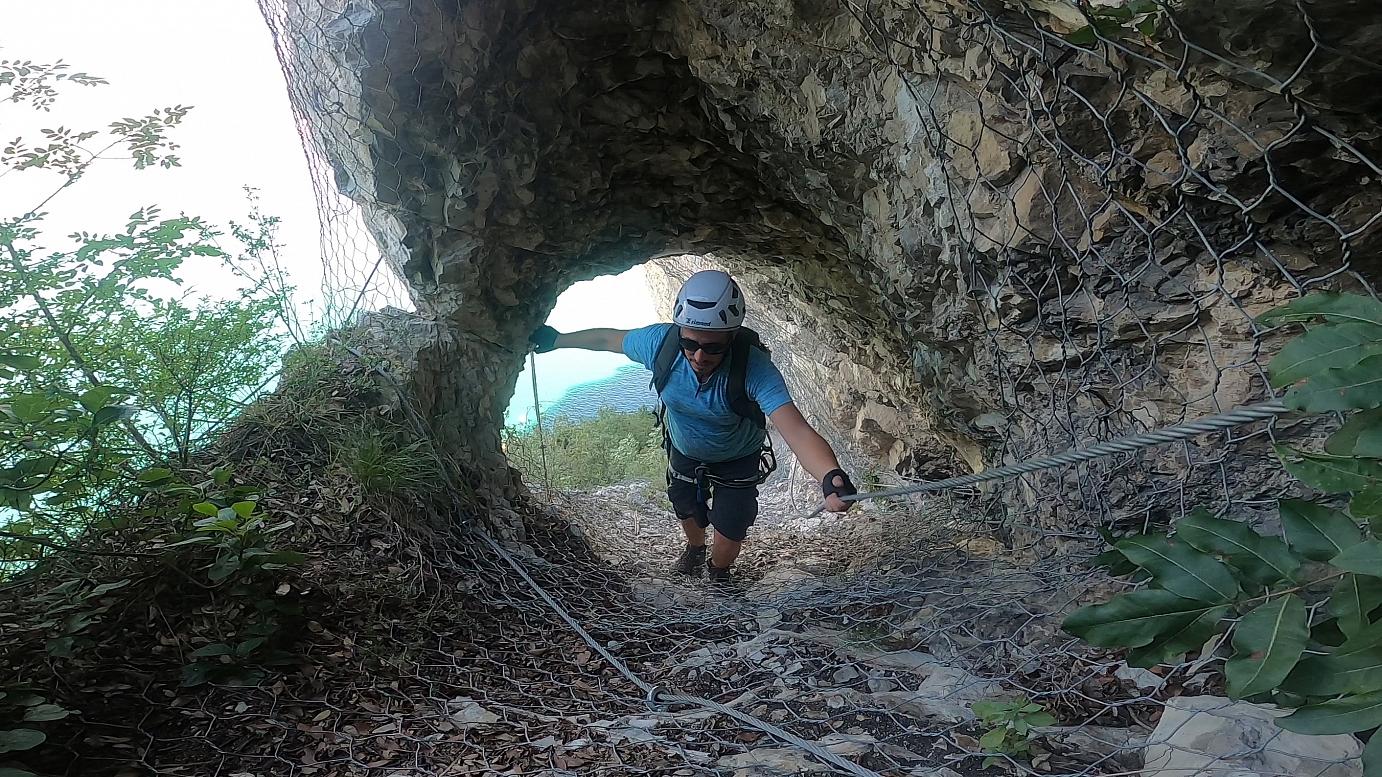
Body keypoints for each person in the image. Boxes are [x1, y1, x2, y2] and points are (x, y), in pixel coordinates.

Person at [529, 269, 857, 583]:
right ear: (680, 334)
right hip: (685, 449)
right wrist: (557, 339)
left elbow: (795, 429)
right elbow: (608, 339)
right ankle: (695, 549)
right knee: (686, 506)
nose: (699, 356)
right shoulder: (662, 345)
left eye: (713, 347)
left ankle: (718, 573)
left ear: (731, 338)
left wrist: (830, 475)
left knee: (731, 523)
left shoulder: (754, 369)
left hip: (738, 457)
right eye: (690, 343)